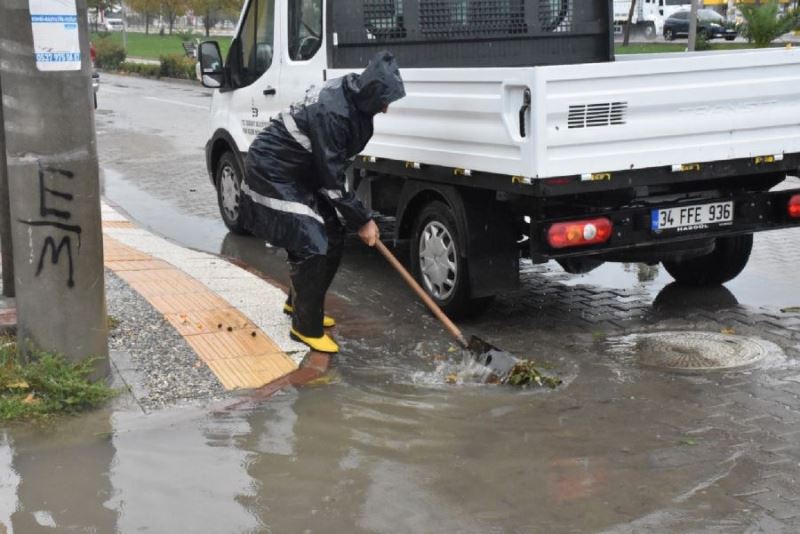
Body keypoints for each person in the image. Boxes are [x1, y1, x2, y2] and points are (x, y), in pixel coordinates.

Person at [242, 51, 406, 354]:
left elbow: (332, 168)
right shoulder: (334, 112)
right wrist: (363, 220)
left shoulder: (351, 98)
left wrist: (355, 218)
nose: (385, 109)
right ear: (371, 93)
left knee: (332, 234)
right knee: (314, 242)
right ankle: (305, 327)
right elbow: (332, 182)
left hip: (300, 172)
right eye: (385, 101)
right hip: (272, 171)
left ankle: (300, 305)